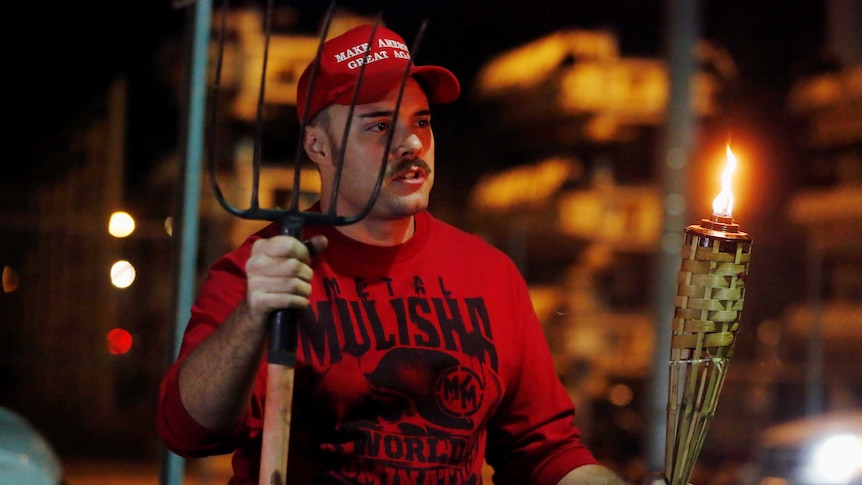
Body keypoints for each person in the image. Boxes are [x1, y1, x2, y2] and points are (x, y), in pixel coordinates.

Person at [156, 23, 630, 485]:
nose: (411, 143)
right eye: (379, 125)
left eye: (421, 121)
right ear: (318, 145)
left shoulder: (488, 275)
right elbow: (189, 430)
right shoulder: (266, 269)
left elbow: (544, 450)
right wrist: (252, 316)